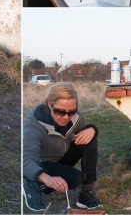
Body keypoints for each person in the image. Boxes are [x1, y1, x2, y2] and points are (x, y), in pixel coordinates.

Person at [23, 82, 103, 212]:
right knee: (75, 179)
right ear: (50, 104)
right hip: (41, 165)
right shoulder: (34, 124)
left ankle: (86, 194)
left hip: (61, 158)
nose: (66, 117)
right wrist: (46, 178)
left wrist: (92, 129)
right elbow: (25, 159)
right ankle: (33, 184)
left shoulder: (76, 117)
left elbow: (85, 130)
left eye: (71, 111)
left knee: (90, 140)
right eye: (60, 111)